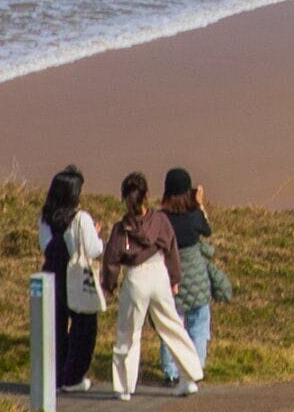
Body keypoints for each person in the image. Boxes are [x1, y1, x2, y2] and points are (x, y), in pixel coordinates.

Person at [100, 170, 203, 398]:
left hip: (135, 277)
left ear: (124, 198)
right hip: (159, 274)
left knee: (128, 332)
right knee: (172, 325)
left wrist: (108, 286)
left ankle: (124, 387)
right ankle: (190, 376)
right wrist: (175, 279)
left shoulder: (121, 229)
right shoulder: (159, 220)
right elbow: (171, 250)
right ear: (147, 195)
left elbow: (111, 260)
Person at [162, 168, 233, 388]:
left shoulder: (162, 219)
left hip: (171, 280)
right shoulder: (193, 217)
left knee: (171, 326)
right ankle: (196, 367)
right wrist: (200, 204)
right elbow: (207, 229)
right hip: (198, 282)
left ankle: (171, 371)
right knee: (199, 325)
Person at [36, 167, 104, 395]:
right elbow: (93, 250)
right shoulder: (81, 218)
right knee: (84, 327)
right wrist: (96, 234)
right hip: (75, 277)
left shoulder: (45, 218)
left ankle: (56, 376)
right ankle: (73, 377)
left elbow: (45, 246)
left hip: (51, 276)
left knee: (55, 328)